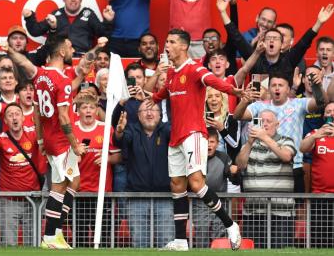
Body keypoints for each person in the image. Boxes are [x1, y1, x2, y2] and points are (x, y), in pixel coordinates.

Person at [148, 29, 242, 251]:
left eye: (171, 42)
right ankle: (180, 241)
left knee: (197, 183)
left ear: (183, 46)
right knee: (177, 186)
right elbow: (155, 96)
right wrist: (144, 88)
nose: (167, 46)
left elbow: (213, 81)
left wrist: (235, 91)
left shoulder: (195, 69)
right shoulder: (171, 73)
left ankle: (230, 225)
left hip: (194, 134)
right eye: (166, 41)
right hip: (176, 138)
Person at [7, 36, 85, 249]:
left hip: (49, 139)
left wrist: (41, 139)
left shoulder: (40, 76)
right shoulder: (62, 81)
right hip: (61, 142)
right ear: (61, 52)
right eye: (69, 47)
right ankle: (50, 236)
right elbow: (64, 118)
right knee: (59, 187)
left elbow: (38, 112)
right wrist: (75, 144)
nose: (72, 49)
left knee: (74, 182)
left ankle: (57, 231)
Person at [234, 71, 329, 193]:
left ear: (288, 89)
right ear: (269, 89)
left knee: (297, 208)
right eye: (273, 85)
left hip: (293, 165)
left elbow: (321, 103)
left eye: (281, 85)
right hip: (262, 166)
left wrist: (318, 86)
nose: (277, 88)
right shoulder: (259, 105)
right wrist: (245, 100)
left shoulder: (298, 104)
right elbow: (237, 115)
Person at [0, 103, 45, 246]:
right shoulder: (0, 138)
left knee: (34, 245)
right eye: (10, 115)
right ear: (6, 121)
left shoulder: (33, 133)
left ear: (23, 118)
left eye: (17, 114)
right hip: (8, 201)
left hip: (32, 201)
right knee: (9, 245)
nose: (14, 118)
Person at [114, 101, 174, 248]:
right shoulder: (131, 131)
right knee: (139, 242)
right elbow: (120, 140)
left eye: (153, 110)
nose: (149, 113)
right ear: (138, 116)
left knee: (166, 242)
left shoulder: (167, 130)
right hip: (136, 197)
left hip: (164, 197)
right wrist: (119, 131)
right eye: (145, 111)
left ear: (160, 115)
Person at [222, 3, 334, 79]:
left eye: (275, 39)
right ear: (264, 42)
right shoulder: (256, 61)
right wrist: (223, 11)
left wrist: (319, 23)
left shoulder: (288, 61)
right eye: (269, 38)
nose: (271, 40)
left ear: (282, 44)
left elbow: (304, 42)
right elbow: (237, 38)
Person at [236, 110, 296, 248]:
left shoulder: (286, 140)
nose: (265, 124)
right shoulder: (249, 144)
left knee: (281, 251)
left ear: (277, 124)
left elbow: (286, 156)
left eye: (268, 121)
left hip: (282, 212)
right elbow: (240, 164)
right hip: (253, 211)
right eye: (261, 121)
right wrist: (250, 143)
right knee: (254, 251)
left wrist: (265, 138)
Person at [73, 93, 121, 247]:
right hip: (77, 192)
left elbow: (119, 157)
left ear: (96, 111)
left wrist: (108, 158)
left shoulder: (106, 128)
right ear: (78, 111)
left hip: (101, 192)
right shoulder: (71, 130)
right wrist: (74, 156)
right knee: (79, 240)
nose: (88, 110)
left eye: (92, 107)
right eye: (84, 107)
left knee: (103, 240)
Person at [23, 0, 114, 56]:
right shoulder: (56, 15)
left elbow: (104, 35)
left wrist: (108, 21)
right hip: (59, 57)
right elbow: (35, 31)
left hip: (81, 58)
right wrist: (29, 17)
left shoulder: (88, 14)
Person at [193, 128, 240, 247]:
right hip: (200, 203)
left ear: (217, 144)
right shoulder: (194, 157)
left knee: (219, 233)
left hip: (220, 202)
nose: (209, 145)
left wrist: (234, 173)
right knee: (201, 232)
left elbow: (235, 181)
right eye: (206, 141)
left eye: (212, 142)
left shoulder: (223, 157)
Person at [300, 102, 334, 248]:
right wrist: (316, 136)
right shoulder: (315, 133)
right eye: (328, 111)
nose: (331, 114)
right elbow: (302, 148)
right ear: (323, 116)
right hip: (320, 196)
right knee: (320, 240)